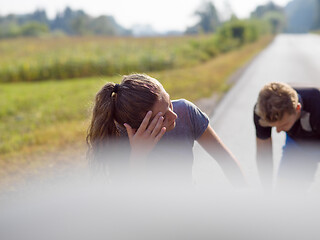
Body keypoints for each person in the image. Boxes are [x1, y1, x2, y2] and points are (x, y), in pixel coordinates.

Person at [87, 73, 246, 188]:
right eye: (162, 116)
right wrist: (138, 157)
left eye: (169, 103)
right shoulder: (117, 139)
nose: (174, 115)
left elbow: (227, 161)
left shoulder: (186, 112)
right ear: (138, 127)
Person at [254, 82, 320, 193]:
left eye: (284, 124)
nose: (278, 131)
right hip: (299, 144)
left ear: (297, 108)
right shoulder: (262, 111)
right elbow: (264, 155)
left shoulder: (317, 105)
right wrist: (267, 192)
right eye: (273, 126)